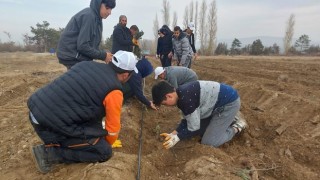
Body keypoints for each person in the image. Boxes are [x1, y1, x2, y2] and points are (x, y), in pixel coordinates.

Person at [28, 50, 138, 173]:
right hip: (48, 126)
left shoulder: (86, 64)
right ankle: (48, 154)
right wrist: (105, 143)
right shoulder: (115, 91)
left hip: (36, 112)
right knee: (104, 152)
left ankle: (56, 144)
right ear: (125, 75)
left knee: (93, 129)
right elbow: (112, 130)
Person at [151, 81, 247, 149]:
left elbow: (194, 127)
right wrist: (173, 134)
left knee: (209, 141)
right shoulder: (181, 94)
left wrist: (177, 138)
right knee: (200, 130)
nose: (166, 106)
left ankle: (237, 126)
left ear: (169, 96)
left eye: (164, 103)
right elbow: (187, 120)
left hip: (228, 104)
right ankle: (230, 118)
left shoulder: (185, 100)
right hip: (216, 105)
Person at [57, 0, 116, 69]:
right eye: (107, 8)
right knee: (88, 76)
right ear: (99, 4)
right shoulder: (89, 16)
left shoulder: (97, 19)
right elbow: (82, 46)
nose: (109, 12)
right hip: (72, 55)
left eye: (111, 9)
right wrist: (103, 56)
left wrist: (105, 55)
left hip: (78, 54)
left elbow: (92, 46)